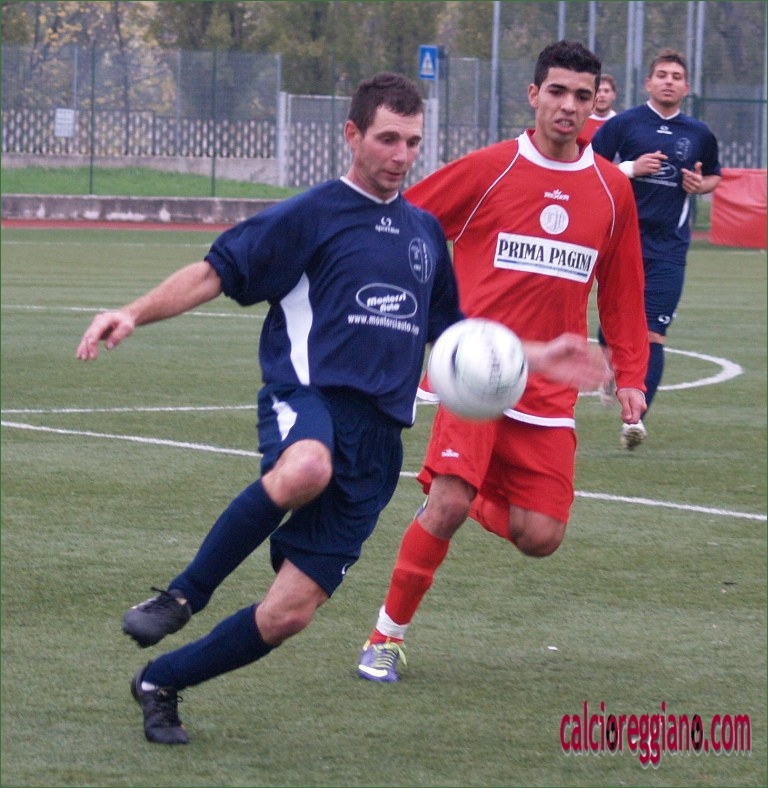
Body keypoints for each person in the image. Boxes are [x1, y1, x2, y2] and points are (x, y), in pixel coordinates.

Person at [76, 72, 608, 746]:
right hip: (310, 396)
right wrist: (132, 312)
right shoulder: (311, 214)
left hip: (379, 441)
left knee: (288, 614)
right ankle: (181, 595)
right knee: (306, 467)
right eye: (387, 139)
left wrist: (537, 355)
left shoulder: (423, 233)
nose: (400, 154)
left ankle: (162, 681)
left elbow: (454, 336)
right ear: (352, 135)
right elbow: (214, 271)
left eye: (412, 142)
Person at [356, 41, 648, 684]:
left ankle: (467, 491)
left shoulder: (610, 190)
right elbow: (406, 223)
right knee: (448, 504)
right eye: (557, 92)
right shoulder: (490, 169)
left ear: (595, 103)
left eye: (582, 95)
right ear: (534, 95)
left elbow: (624, 289)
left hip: (548, 388)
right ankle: (385, 637)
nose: (568, 106)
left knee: (540, 537)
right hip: (476, 375)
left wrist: (631, 375)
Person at [592, 48, 722, 448]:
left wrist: (700, 186)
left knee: (653, 333)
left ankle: (635, 420)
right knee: (613, 329)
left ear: (686, 86)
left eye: (676, 76)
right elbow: (588, 166)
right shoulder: (625, 124)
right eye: (662, 74)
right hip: (621, 241)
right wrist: (631, 168)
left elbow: (714, 176)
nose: (669, 81)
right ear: (648, 82)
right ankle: (610, 358)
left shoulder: (699, 133)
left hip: (669, 247)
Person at [581, 72, 618, 141]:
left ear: (614, 95)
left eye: (606, 91)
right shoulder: (580, 122)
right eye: (598, 91)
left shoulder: (621, 123)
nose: (602, 95)